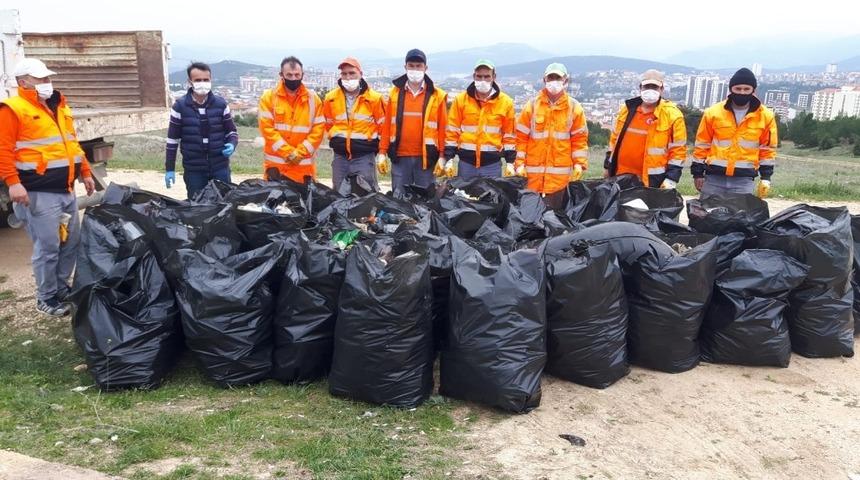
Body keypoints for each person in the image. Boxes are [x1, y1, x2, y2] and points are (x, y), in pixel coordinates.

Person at [0, 58, 95, 316]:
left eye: (47, 78)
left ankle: (61, 287)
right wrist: (13, 184)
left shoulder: (59, 106)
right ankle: (46, 297)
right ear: (23, 82)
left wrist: (85, 172)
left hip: (65, 189)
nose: (46, 83)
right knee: (48, 246)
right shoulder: (12, 109)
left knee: (70, 241)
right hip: (38, 191)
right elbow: (3, 150)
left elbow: (72, 144)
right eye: (40, 79)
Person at [692, 67, 777, 198]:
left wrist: (766, 177)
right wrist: (698, 174)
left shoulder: (765, 116)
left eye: (746, 89)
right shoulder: (713, 113)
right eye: (738, 89)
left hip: (743, 181)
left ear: (753, 90)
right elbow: (702, 145)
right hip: (714, 178)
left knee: (740, 217)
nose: (742, 93)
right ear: (731, 89)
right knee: (707, 216)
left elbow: (767, 149)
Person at [513, 63, 589, 208]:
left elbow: (579, 140)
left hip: (558, 183)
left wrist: (579, 164)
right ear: (544, 80)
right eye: (551, 77)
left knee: (555, 221)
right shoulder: (532, 106)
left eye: (558, 78)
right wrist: (519, 164)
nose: (554, 81)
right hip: (531, 180)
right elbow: (521, 138)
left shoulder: (574, 108)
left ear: (565, 81)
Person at [164, 62, 238, 199]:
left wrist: (232, 144)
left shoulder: (221, 105)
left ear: (211, 80)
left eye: (206, 80)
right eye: (198, 80)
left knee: (224, 204)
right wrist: (169, 169)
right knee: (197, 207)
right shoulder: (180, 107)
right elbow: (172, 140)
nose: (202, 83)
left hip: (220, 167)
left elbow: (231, 132)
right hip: (194, 170)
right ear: (190, 82)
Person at [378, 49, 447, 193]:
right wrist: (382, 153)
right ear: (405, 67)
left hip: (426, 158)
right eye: (411, 66)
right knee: (400, 201)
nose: (415, 69)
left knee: (425, 202)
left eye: (418, 66)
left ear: (425, 68)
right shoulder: (394, 94)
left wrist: (442, 156)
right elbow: (387, 127)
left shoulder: (437, 96)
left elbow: (442, 129)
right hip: (400, 157)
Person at [605, 69, 686, 189]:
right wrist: (608, 166)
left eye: (654, 87)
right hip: (620, 176)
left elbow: (678, 151)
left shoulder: (672, 115)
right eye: (647, 86)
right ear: (640, 88)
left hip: (652, 180)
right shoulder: (627, 110)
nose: (650, 90)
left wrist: (671, 179)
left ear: (661, 89)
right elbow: (614, 141)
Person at [443, 59, 516, 179]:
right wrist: (449, 159)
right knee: (463, 197)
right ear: (474, 76)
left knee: (492, 197)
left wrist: (510, 162)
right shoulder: (461, 100)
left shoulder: (505, 103)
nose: (483, 80)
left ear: (494, 77)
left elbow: (509, 136)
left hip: (492, 165)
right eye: (479, 76)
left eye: (487, 76)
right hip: (466, 164)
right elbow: (452, 131)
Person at [259, 56, 326, 183]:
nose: (293, 78)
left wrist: (300, 153)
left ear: (302, 75)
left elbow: (318, 131)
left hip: (304, 170)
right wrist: (288, 153)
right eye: (289, 75)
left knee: (304, 202)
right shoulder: (268, 98)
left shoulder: (313, 99)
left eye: (297, 75)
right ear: (281, 75)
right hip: (276, 170)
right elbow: (267, 129)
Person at [323, 57, 386, 190]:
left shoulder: (374, 99)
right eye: (344, 74)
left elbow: (384, 129)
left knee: (366, 196)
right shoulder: (331, 99)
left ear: (360, 74)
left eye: (352, 73)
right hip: (340, 157)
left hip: (364, 157)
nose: (348, 77)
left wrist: (382, 153)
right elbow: (329, 125)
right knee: (339, 195)